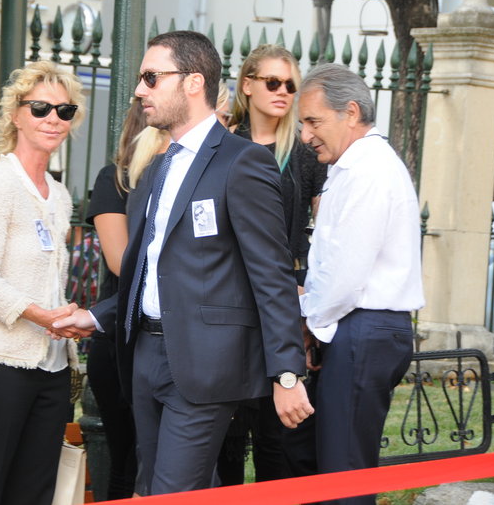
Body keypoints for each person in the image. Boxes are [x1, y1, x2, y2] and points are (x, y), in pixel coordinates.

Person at [54, 30, 313, 496]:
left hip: (206, 365)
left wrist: (287, 373)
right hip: (145, 356)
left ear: (194, 83)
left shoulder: (243, 162)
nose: (140, 90)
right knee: (152, 487)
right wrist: (97, 316)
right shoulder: (158, 168)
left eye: (152, 78)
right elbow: (151, 269)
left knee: (169, 492)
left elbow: (272, 276)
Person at [0, 61, 84, 505]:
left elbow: (47, 280)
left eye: (64, 111)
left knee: (34, 494)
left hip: (52, 368)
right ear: (15, 115)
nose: (53, 119)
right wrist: (42, 316)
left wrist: (64, 315)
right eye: (40, 107)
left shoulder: (59, 195)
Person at [298, 63, 424, 505]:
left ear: (350, 112)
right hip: (361, 327)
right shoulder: (358, 166)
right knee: (338, 468)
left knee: (344, 476)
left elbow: (345, 276)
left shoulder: (367, 170)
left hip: (362, 327)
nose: (305, 135)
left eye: (313, 121)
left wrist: (309, 319)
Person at [218, 44, 328, 483]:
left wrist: (307, 295)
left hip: (285, 295)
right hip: (231, 297)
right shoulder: (224, 146)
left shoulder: (303, 152)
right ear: (247, 85)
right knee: (227, 432)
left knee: (276, 434)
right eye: (272, 82)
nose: (283, 91)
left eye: (291, 85)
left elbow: (325, 231)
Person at [85, 98, 169, 499]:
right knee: (128, 462)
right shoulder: (115, 180)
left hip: (171, 345)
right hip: (120, 338)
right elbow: (121, 263)